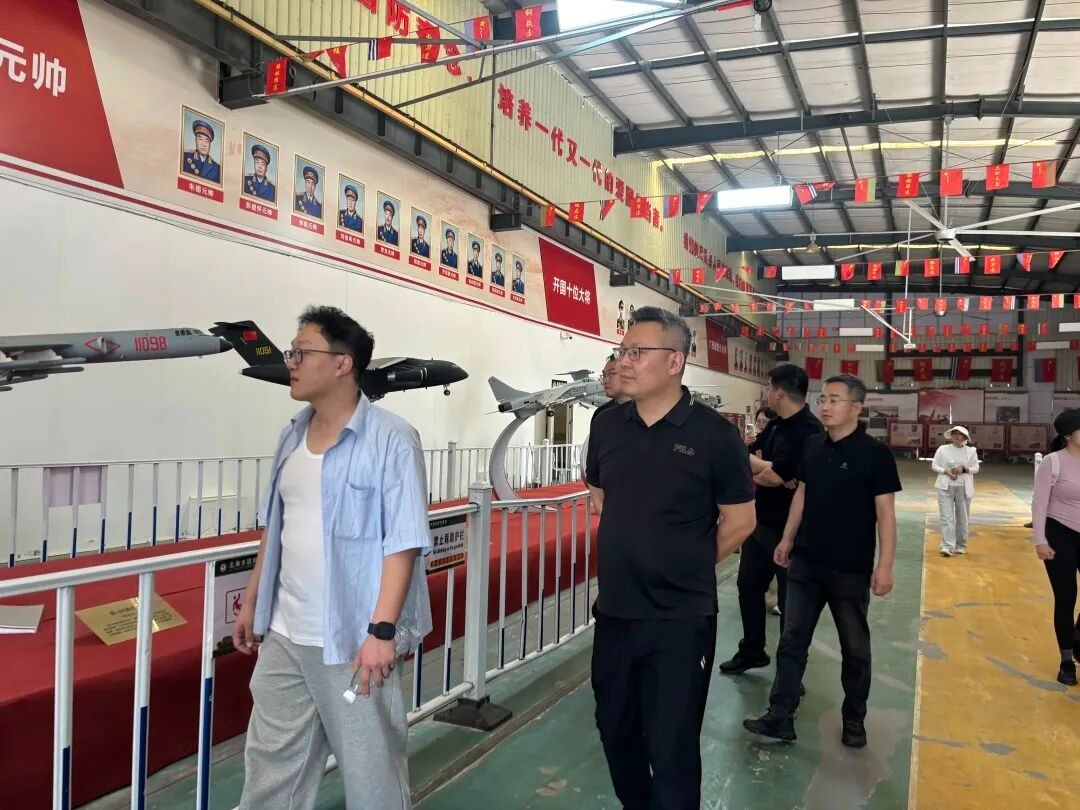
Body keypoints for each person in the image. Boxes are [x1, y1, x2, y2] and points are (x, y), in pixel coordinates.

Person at [232, 306, 432, 808]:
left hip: (353, 639)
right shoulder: (291, 435)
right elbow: (275, 527)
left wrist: (381, 632)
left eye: (302, 352)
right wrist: (252, 601)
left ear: (342, 364)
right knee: (269, 772)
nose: (291, 362)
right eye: (291, 352)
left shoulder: (392, 439)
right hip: (285, 633)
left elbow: (403, 541)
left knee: (371, 775)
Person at [586, 306, 756, 809]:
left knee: (672, 743)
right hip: (616, 611)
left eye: (638, 352)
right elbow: (600, 494)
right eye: (623, 351)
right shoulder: (607, 425)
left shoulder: (714, 435)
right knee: (615, 728)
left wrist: (686, 561)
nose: (625, 362)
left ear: (675, 361)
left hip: (680, 617)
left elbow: (740, 520)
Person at [744, 374, 900, 748]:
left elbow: (885, 513)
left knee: (855, 649)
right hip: (806, 562)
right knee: (791, 641)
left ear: (856, 407)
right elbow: (802, 494)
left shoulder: (875, 455)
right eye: (823, 399)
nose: (825, 407)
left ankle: (854, 719)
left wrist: (885, 565)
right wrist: (787, 539)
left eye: (834, 400)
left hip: (850, 569)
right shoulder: (813, 446)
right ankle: (780, 715)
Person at [720, 364, 823, 676]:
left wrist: (768, 470)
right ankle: (752, 650)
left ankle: (790, 672)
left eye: (768, 387)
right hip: (761, 523)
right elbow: (751, 458)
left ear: (779, 391)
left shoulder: (810, 431)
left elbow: (771, 477)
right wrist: (770, 468)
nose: (767, 392)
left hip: (792, 530)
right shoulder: (776, 425)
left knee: (792, 603)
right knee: (748, 587)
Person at [1030, 408, 1080, 686]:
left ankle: (1078, 636)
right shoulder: (1054, 462)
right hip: (1060, 533)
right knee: (1066, 598)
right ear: (1068, 434)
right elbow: (1039, 503)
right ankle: (1066, 660)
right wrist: (1040, 540)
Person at [931, 426, 980, 557]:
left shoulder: (971, 451)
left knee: (962, 518)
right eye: (954, 433)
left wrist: (964, 469)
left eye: (960, 434)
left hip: (963, 488)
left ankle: (960, 545)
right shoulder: (943, 449)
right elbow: (934, 465)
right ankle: (947, 546)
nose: (956, 436)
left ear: (965, 437)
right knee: (946, 518)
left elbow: (976, 468)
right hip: (944, 487)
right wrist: (945, 471)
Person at [182, 119, 221, 183]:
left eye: (206, 141)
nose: (203, 144)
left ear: (210, 144)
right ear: (195, 140)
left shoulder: (217, 168)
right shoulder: (184, 156)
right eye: (200, 139)